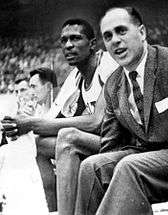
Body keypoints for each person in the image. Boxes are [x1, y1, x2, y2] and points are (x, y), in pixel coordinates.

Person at [74, 7, 168, 215]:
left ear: (142, 33)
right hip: (146, 161)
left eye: (121, 31)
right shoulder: (113, 84)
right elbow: (111, 146)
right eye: (108, 36)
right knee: (93, 167)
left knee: (129, 166)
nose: (115, 40)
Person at [2, 19, 118, 213]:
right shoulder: (75, 77)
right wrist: (18, 124)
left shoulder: (107, 65)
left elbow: (97, 122)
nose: (68, 45)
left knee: (68, 137)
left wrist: (30, 123)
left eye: (75, 38)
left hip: (120, 142)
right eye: (64, 40)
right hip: (99, 143)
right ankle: (52, 208)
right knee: (38, 143)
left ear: (92, 44)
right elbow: (51, 118)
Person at [0, 67, 57, 215]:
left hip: (51, 156)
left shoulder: (57, 108)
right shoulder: (33, 111)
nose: (30, 92)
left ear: (49, 87)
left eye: (33, 87)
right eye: (18, 91)